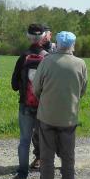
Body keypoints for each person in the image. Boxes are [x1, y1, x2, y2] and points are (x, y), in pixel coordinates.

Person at [33, 31, 87, 179]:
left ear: (57, 44)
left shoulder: (47, 61)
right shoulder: (80, 64)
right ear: (73, 45)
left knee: (47, 159)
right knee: (68, 160)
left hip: (47, 117)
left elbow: (36, 88)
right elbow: (82, 90)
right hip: (69, 119)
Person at [11, 24, 48, 179]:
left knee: (24, 141)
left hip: (26, 105)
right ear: (43, 38)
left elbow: (14, 84)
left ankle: (22, 176)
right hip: (43, 107)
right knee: (46, 142)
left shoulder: (23, 57)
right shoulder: (48, 58)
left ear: (28, 37)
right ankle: (44, 178)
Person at [30, 24, 55, 170]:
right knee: (37, 131)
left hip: (50, 96)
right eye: (48, 34)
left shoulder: (55, 49)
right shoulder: (34, 49)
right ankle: (39, 156)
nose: (49, 36)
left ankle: (60, 158)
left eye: (49, 34)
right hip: (36, 96)